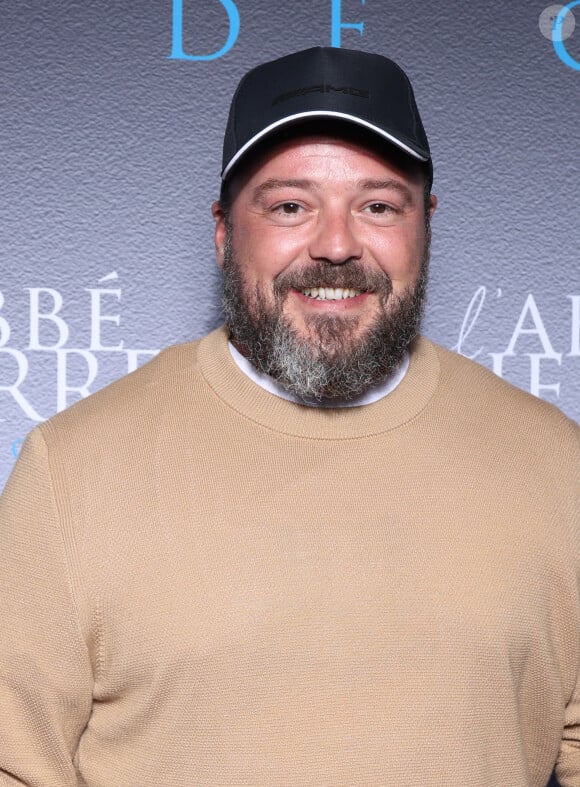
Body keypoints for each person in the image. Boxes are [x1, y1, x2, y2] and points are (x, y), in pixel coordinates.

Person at [0, 46, 578, 787]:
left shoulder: (558, 464)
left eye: (378, 205)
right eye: (289, 206)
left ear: (426, 222)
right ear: (221, 230)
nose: (336, 246)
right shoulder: (71, 470)